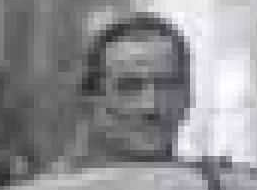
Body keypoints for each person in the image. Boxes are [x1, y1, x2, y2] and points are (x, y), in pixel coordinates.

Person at [49, 9, 194, 173]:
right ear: (90, 99)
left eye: (168, 86)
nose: (151, 106)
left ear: (188, 98)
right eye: (129, 88)